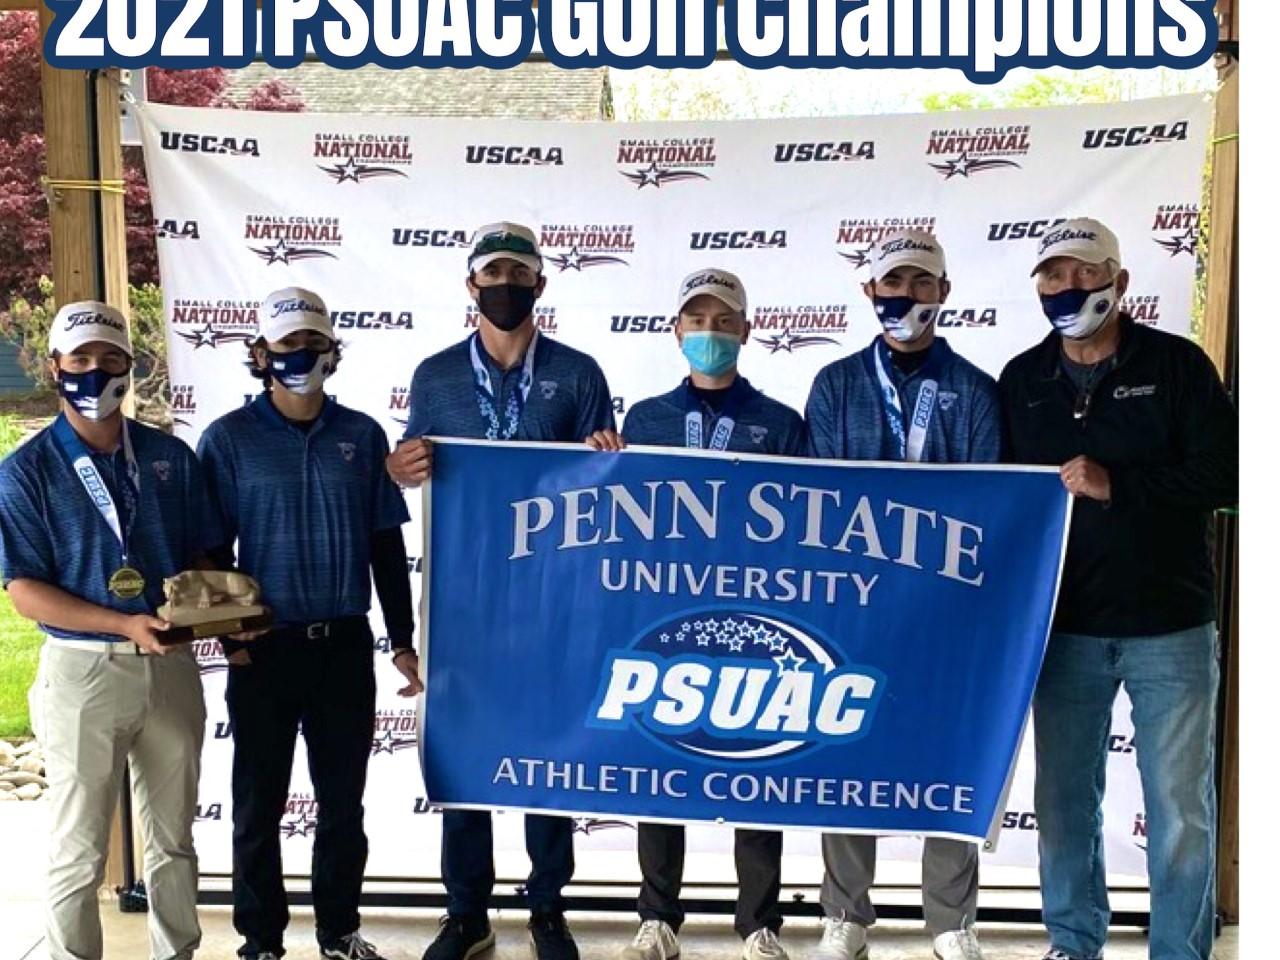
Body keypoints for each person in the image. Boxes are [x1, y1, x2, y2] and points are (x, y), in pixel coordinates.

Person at [997, 218, 1237, 960]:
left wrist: (1116, 486)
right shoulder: (1021, 380)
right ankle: (1073, 943)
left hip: (1170, 625)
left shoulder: (1178, 367)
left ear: (1120, 280)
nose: (1067, 289)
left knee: (1179, 810)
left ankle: (1179, 951)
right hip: (1063, 628)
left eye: (1083, 274)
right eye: (1052, 276)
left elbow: (1228, 477)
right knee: (1065, 805)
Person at [386, 222, 616, 960]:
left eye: (520, 272)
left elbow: (605, 485)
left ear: (540, 285)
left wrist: (609, 457)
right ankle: (467, 913)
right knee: (466, 749)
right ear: (471, 285)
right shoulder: (435, 375)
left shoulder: (579, 372)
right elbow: (418, 465)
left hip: (555, 594)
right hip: (464, 592)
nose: (506, 285)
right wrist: (402, 467)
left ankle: (548, 908)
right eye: (493, 273)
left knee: (548, 749)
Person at [584, 267, 806, 960]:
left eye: (722, 320)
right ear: (676, 331)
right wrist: (603, 465)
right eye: (697, 320)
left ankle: (760, 923)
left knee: (758, 763)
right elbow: (619, 513)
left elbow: (810, 523)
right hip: (665, 614)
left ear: (746, 329)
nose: (709, 332)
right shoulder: (644, 419)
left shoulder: (781, 423)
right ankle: (658, 918)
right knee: (661, 765)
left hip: (756, 616)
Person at [197, 286, 421, 960]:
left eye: (312, 344)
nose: (300, 356)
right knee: (258, 807)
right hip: (264, 650)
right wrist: (231, 634)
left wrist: (403, 641)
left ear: (331, 350)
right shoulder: (228, 439)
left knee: (342, 806)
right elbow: (211, 547)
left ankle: (339, 933)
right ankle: (260, 942)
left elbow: (385, 543)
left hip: (343, 646)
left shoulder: (361, 434)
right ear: (261, 353)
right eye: (287, 345)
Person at [0, 301, 221, 960]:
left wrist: (224, 608)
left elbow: (203, 553)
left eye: (111, 359)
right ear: (55, 367)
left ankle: (176, 952)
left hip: (170, 666)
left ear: (133, 365)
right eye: (81, 359)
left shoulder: (169, 457)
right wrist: (122, 620)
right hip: (84, 672)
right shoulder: (25, 470)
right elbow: (25, 592)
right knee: (79, 846)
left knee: (174, 838)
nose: (96, 372)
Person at [803, 229, 1001, 960]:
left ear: (943, 293)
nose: (905, 297)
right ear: (869, 293)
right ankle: (845, 915)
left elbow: (987, 504)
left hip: (945, 609)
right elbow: (821, 502)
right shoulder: (834, 385)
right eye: (893, 284)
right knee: (845, 749)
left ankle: (951, 921)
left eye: (921, 284)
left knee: (949, 756)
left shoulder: (976, 391)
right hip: (851, 604)